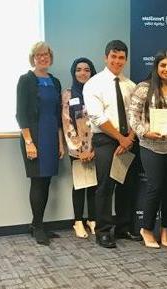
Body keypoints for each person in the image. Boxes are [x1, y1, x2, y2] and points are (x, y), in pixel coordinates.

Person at [128, 50, 167, 248]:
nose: (166, 69)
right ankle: (146, 229)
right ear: (156, 67)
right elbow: (133, 117)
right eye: (163, 65)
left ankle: (166, 229)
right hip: (151, 147)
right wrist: (146, 132)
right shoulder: (143, 88)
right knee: (155, 187)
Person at [84, 40, 142, 248]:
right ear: (105, 57)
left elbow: (137, 115)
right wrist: (120, 138)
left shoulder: (131, 85)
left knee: (127, 185)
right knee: (106, 187)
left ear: (125, 59)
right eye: (113, 57)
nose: (117, 61)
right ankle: (103, 231)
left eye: (121, 58)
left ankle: (123, 227)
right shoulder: (94, 84)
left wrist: (130, 139)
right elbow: (97, 117)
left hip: (128, 140)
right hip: (106, 140)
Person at [16, 41, 64, 246]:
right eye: (38, 55)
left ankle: (38, 224)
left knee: (46, 181)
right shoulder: (25, 80)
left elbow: (57, 115)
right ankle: (37, 227)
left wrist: (60, 142)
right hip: (34, 137)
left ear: (50, 57)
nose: (42, 58)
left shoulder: (55, 81)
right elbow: (21, 114)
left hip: (51, 137)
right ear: (33, 58)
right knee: (37, 181)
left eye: (45, 55)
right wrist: (29, 142)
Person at [61, 57, 98, 239]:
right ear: (73, 73)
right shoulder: (69, 94)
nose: (82, 73)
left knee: (93, 185)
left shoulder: (96, 92)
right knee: (79, 185)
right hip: (77, 148)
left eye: (87, 70)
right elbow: (68, 124)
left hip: (96, 146)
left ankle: (92, 219)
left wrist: (93, 148)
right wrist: (80, 149)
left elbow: (99, 121)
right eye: (79, 70)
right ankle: (77, 221)